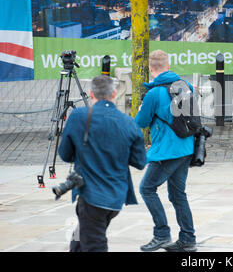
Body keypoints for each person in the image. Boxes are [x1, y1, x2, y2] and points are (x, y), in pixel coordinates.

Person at [58, 75, 147, 252]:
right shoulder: (128, 122)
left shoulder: (78, 116)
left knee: (94, 244)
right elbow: (139, 162)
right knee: (79, 240)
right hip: (116, 196)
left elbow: (65, 154)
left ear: (91, 94)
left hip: (92, 196)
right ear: (114, 93)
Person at [136, 49, 197, 252]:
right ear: (168, 66)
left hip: (166, 151)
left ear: (151, 69)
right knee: (178, 194)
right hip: (186, 147)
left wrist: (140, 110)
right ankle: (187, 238)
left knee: (146, 188)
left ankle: (162, 234)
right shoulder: (186, 86)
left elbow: (141, 122)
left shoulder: (153, 93)